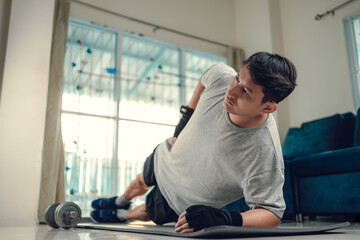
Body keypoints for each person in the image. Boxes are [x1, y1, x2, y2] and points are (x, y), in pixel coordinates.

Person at [90, 52, 297, 233]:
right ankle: (119, 201)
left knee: (146, 211)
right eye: (237, 79)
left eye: (247, 91)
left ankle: (120, 215)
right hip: (170, 156)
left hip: (183, 197)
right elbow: (208, 74)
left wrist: (224, 218)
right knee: (140, 180)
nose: (232, 91)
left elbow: (272, 214)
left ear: (268, 108)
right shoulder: (221, 79)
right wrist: (184, 120)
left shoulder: (264, 153)